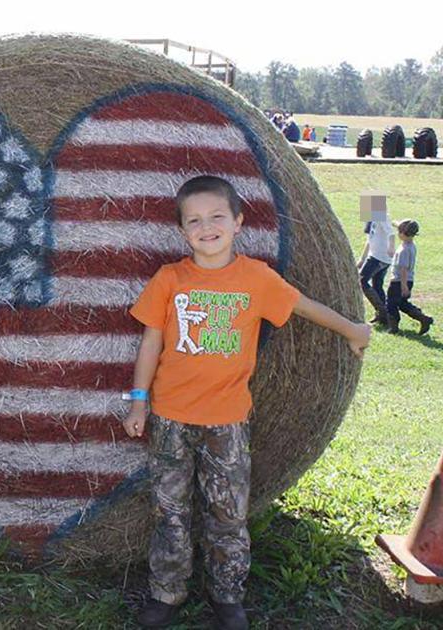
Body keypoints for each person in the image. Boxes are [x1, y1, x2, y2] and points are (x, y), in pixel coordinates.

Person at [122, 175, 371, 630]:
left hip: (228, 423)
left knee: (227, 516)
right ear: (182, 231)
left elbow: (304, 306)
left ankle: (227, 596)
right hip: (170, 420)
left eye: (217, 216)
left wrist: (353, 329)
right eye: (194, 220)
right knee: (169, 512)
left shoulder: (255, 279)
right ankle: (167, 593)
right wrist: (139, 401)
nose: (206, 227)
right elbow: (150, 344)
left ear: (238, 221)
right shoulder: (170, 280)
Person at [386, 219, 433, 335]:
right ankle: (423, 318)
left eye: (399, 231)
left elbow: (403, 269)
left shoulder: (403, 250)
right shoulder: (411, 245)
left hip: (399, 281)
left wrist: (403, 286)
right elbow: (403, 228)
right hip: (409, 280)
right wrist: (393, 222)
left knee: (391, 303)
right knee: (402, 303)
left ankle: (393, 326)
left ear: (402, 233)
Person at [357, 195, 393, 324]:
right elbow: (369, 240)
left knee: (362, 281)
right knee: (377, 285)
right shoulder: (372, 219)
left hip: (380, 257)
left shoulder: (382, 216)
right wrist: (362, 259)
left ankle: (382, 311)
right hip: (376, 256)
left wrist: (391, 248)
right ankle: (384, 316)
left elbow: (391, 233)